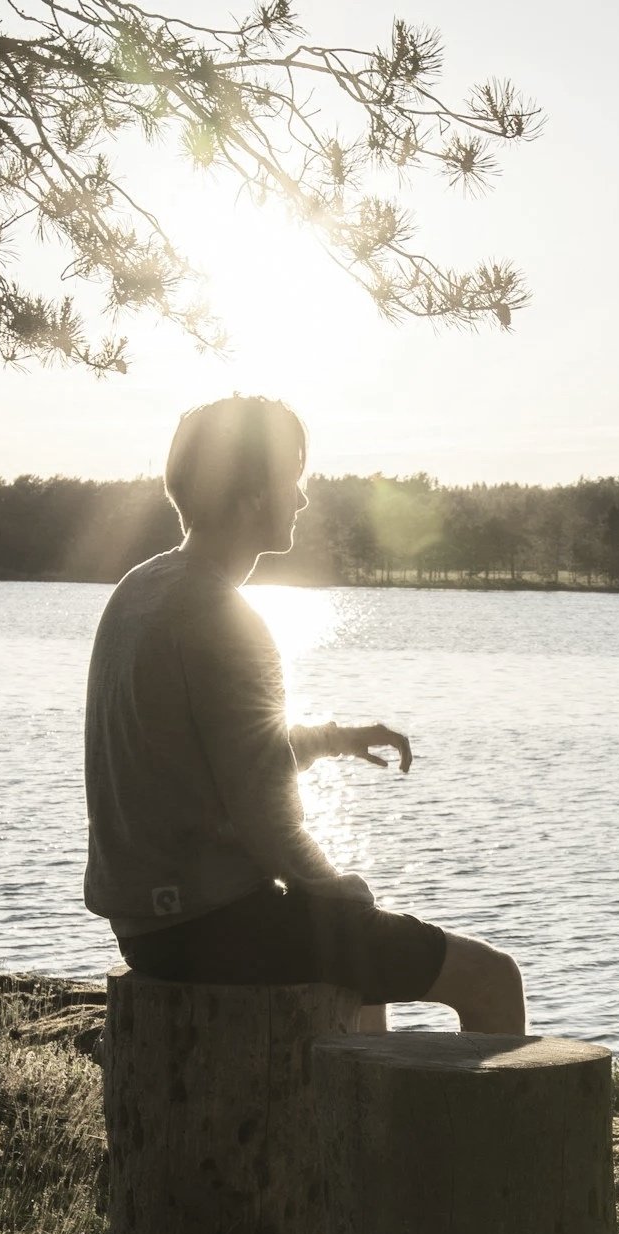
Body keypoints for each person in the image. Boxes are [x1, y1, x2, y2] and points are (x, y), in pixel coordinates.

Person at [84, 395, 525, 1033]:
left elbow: (213, 755)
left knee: (357, 961)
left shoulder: (142, 588)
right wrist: (341, 889)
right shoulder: (224, 616)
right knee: (490, 978)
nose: (303, 498)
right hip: (214, 928)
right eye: (293, 479)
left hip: (146, 928)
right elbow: (264, 813)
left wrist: (333, 740)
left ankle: (366, 1121)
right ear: (254, 495)